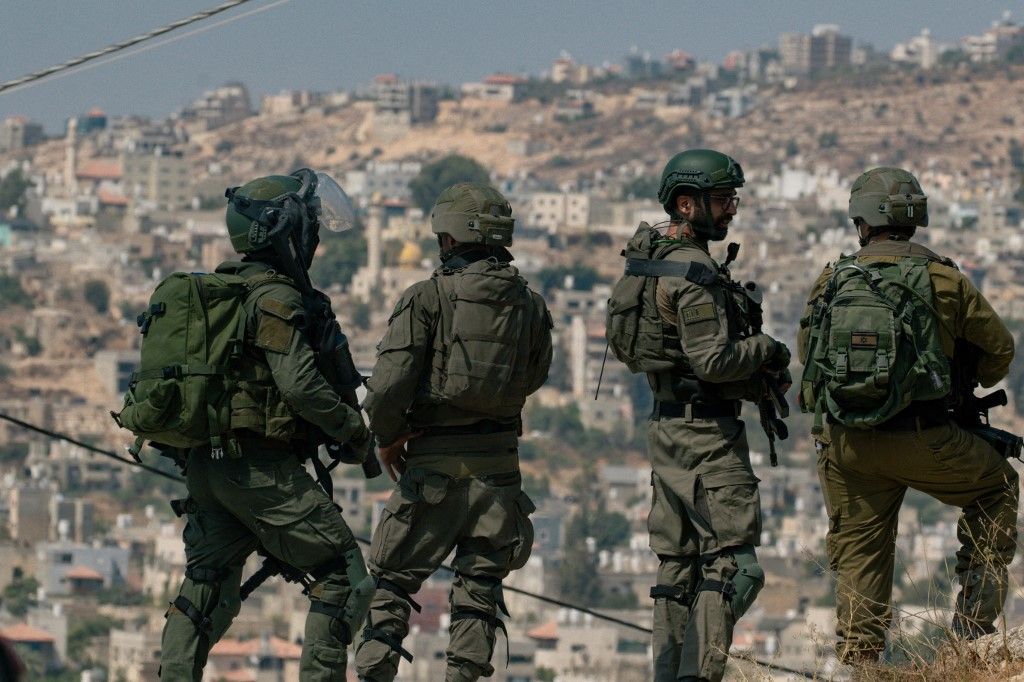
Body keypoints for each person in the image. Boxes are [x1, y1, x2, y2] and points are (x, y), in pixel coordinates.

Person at [159, 170, 374, 681]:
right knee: (344, 578)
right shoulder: (276, 297)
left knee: (206, 587)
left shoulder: (227, 293)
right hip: (257, 472)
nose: (315, 234)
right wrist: (352, 429)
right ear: (282, 230)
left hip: (208, 470)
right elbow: (298, 385)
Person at [798, 166, 1018, 664]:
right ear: (914, 218)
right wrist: (965, 381)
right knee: (996, 488)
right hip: (926, 438)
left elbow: (807, 356)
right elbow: (1000, 349)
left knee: (861, 553)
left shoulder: (832, 279)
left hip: (847, 444)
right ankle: (971, 639)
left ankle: (862, 667)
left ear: (862, 221)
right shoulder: (943, 279)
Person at [353, 182, 553, 682]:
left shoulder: (427, 298)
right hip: (500, 474)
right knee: (479, 593)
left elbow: (389, 387)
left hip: (432, 469)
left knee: (391, 586)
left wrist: (386, 438)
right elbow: (535, 376)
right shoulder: (530, 305)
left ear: (449, 238)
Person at [627, 149, 791, 682]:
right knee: (735, 568)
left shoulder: (653, 261)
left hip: (667, 430)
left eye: (732, 199)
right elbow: (714, 359)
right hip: (706, 439)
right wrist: (768, 350)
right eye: (721, 200)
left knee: (677, 571)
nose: (731, 210)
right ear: (685, 203)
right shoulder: (692, 274)